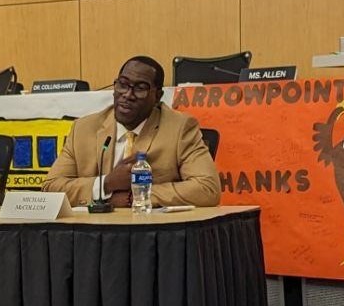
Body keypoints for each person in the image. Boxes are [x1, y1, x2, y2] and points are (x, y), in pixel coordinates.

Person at [41, 56, 220, 207]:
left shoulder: (180, 128)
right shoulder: (84, 129)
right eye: (123, 85)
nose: (127, 94)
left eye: (140, 88)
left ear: (157, 96)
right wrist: (107, 184)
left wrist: (134, 197)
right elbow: (51, 188)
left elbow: (207, 189)